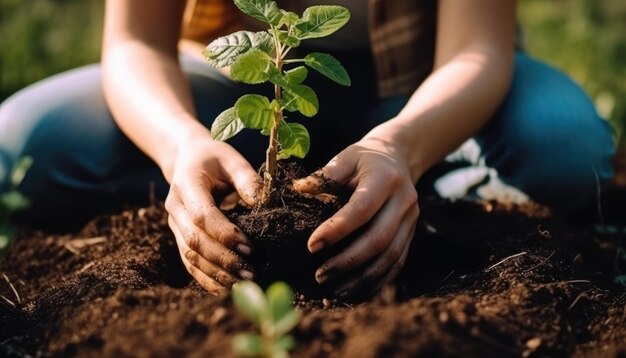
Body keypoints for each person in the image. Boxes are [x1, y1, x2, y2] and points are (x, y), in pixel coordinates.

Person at [0, 0, 615, 297]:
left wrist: (402, 146)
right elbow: (136, 42)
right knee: (18, 149)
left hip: (419, 88)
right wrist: (180, 146)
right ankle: (233, 180)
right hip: (230, 87)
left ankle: (415, 177)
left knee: (566, 148)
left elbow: (477, 49)